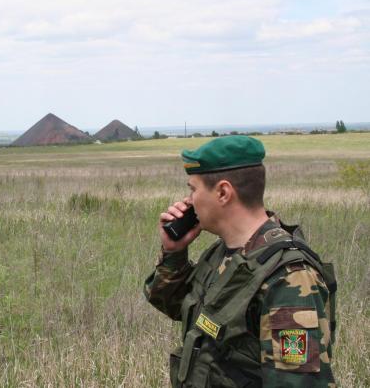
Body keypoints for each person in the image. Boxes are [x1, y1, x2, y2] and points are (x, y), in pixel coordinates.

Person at [143, 136, 337, 387]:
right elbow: (176, 305)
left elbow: (297, 382)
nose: (189, 201)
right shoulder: (223, 254)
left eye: (193, 189)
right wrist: (174, 252)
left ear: (223, 192)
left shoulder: (289, 278)